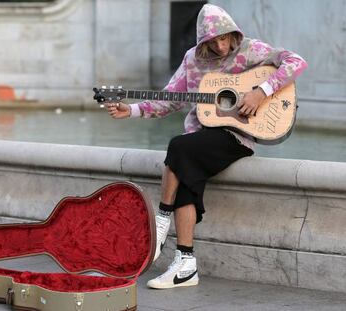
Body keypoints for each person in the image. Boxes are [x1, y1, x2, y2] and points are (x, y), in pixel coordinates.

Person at [105, 4, 307, 289]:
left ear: (233, 34)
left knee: (178, 147)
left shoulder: (250, 50)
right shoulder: (192, 59)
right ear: (203, 42)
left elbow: (296, 61)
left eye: (225, 39)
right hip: (201, 137)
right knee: (187, 174)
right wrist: (133, 110)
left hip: (236, 136)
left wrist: (261, 92)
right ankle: (186, 265)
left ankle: (162, 217)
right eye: (214, 42)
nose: (222, 46)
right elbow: (171, 99)